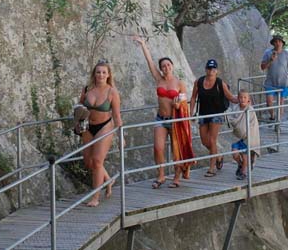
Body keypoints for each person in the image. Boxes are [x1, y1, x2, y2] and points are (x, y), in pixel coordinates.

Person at [133, 36, 194, 188]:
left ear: (172, 66)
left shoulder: (179, 83)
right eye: (163, 66)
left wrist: (178, 105)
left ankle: (176, 177)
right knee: (158, 148)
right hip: (161, 118)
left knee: (176, 150)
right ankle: (161, 175)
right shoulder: (159, 79)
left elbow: (184, 103)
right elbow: (150, 63)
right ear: (161, 69)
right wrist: (143, 45)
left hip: (175, 120)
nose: (166, 67)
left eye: (168, 65)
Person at [77, 60, 122, 207]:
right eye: (98, 72)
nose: (101, 75)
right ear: (94, 74)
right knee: (89, 162)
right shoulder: (87, 89)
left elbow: (116, 116)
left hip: (105, 127)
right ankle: (108, 180)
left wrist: (121, 135)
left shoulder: (112, 92)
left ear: (108, 75)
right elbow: (79, 108)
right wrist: (78, 123)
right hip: (88, 127)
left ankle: (95, 197)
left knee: (97, 161)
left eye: (104, 72)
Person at [190, 59, 237, 177]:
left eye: (213, 69)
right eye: (209, 68)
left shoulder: (220, 83)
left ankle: (212, 168)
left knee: (212, 140)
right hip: (203, 114)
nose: (211, 71)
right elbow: (193, 98)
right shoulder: (199, 82)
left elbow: (230, 97)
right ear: (206, 69)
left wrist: (243, 100)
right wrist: (191, 112)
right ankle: (218, 156)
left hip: (216, 114)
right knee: (204, 141)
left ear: (217, 71)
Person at [259, 34, 288, 122]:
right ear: (273, 43)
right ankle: (272, 116)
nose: (278, 43)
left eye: (279, 41)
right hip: (270, 82)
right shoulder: (268, 53)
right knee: (269, 102)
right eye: (276, 42)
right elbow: (263, 67)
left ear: (282, 43)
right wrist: (271, 60)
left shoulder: (287, 53)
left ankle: (278, 122)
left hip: (283, 82)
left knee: (280, 103)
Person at [228, 90, 260, 180]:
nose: (242, 99)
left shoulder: (250, 110)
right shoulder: (235, 108)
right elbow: (232, 118)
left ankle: (243, 172)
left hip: (247, 137)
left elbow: (253, 124)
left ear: (248, 99)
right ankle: (240, 164)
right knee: (235, 153)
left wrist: (247, 133)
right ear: (238, 98)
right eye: (241, 97)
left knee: (245, 155)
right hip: (237, 136)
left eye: (245, 97)